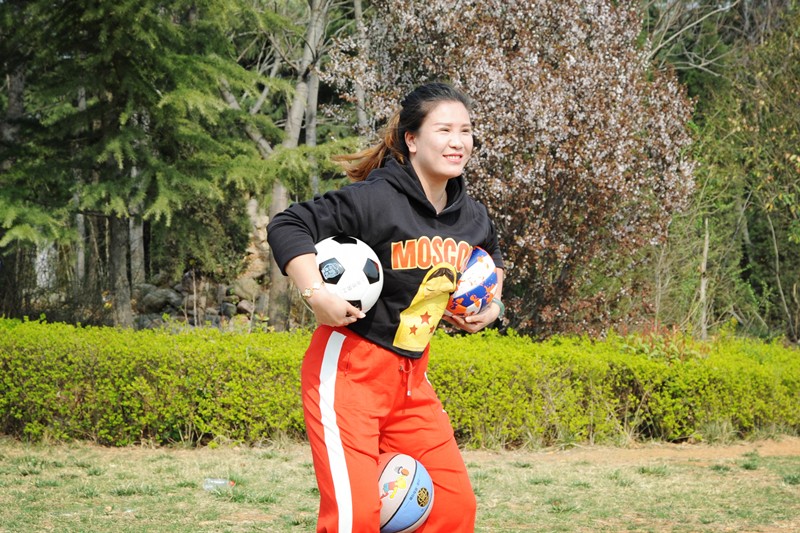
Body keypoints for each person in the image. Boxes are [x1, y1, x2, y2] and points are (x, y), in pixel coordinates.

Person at [267, 81, 505, 532]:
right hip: (348, 374)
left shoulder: (472, 216)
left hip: (412, 380)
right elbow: (288, 224)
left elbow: (492, 257)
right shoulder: (376, 200)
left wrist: (491, 306)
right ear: (411, 139)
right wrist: (316, 293)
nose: (458, 142)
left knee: (454, 507)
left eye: (466, 131)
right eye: (444, 130)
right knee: (355, 518)